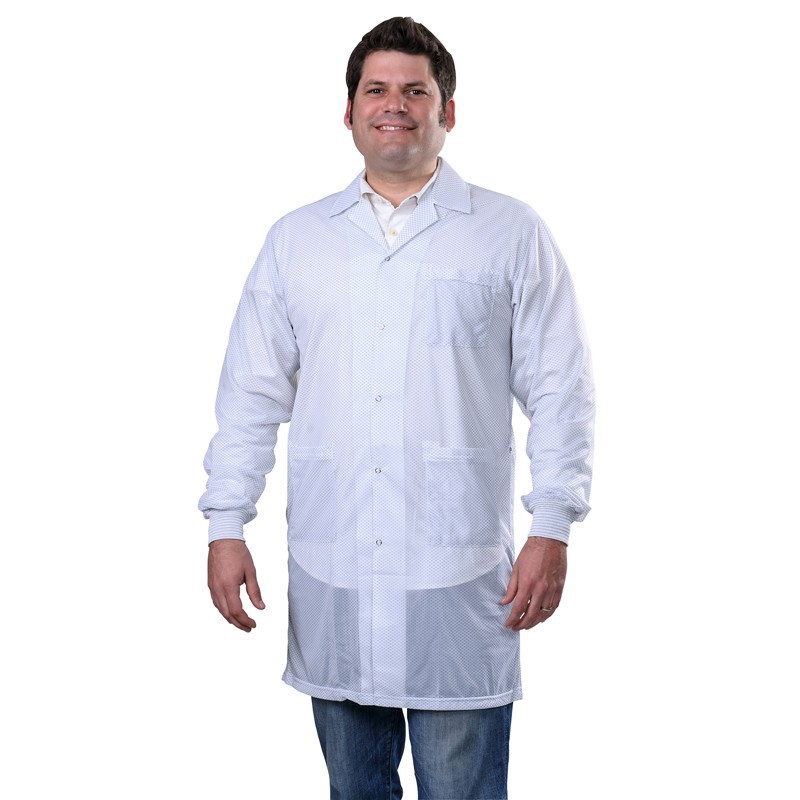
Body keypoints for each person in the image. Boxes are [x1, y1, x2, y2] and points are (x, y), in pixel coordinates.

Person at [200, 16, 594, 800]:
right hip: (336, 567)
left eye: (416, 91)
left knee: (462, 788)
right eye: (377, 90)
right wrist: (225, 523)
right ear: (348, 112)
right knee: (354, 791)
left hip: (457, 575)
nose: (396, 106)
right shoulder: (297, 240)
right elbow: (251, 393)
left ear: (449, 110)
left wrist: (552, 524)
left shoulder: (509, 233)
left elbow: (561, 388)